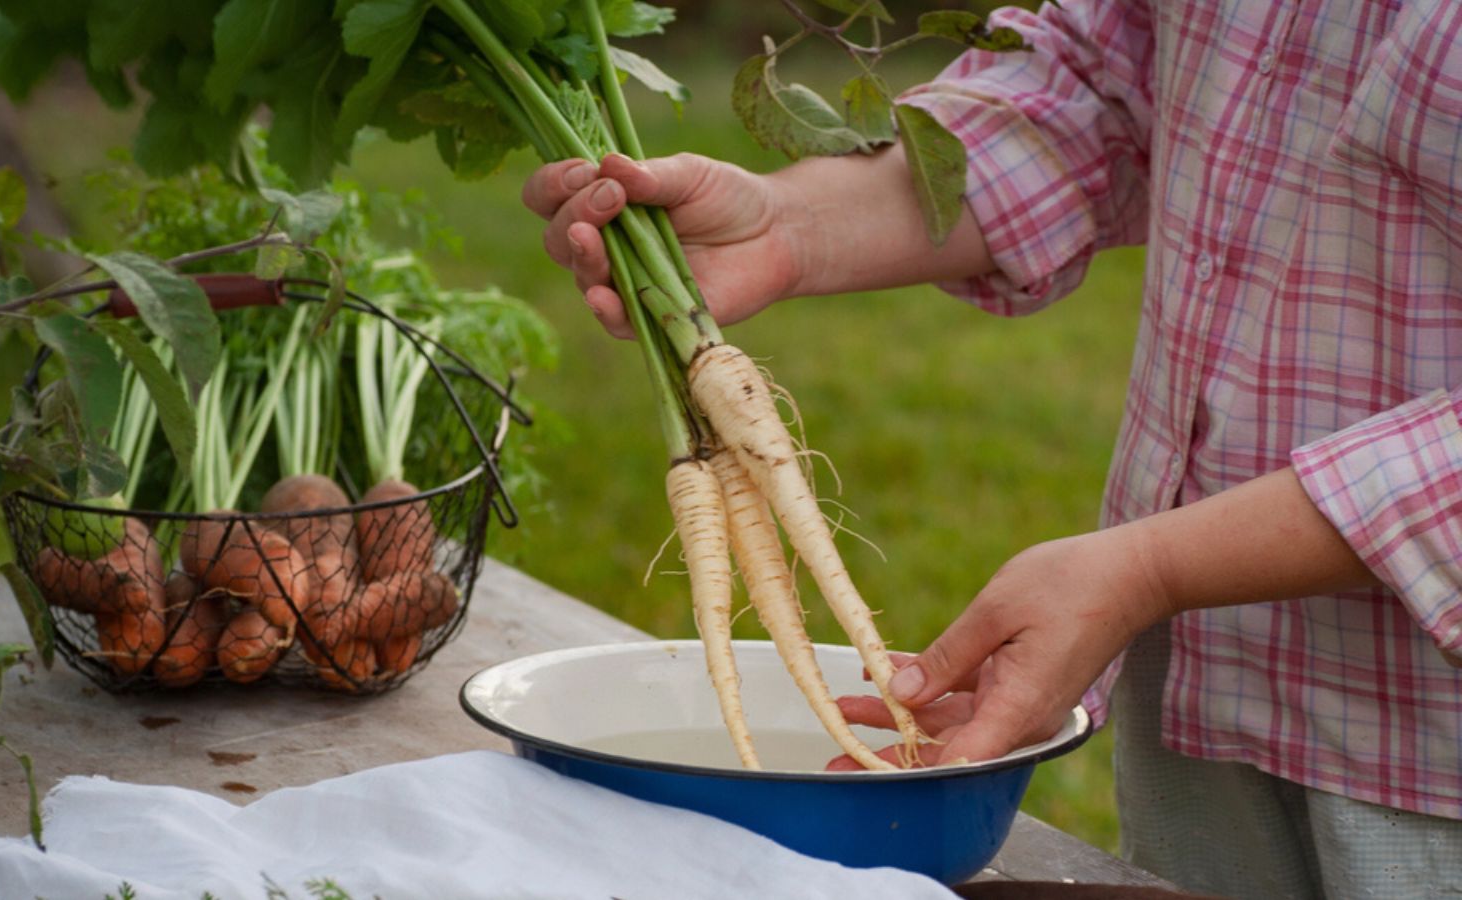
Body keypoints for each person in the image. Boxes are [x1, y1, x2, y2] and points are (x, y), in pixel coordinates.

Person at [523, 1, 1462, 897]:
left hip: (1429, 754)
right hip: (1198, 695)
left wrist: (1149, 569)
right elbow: (1100, 88)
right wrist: (788, 226)